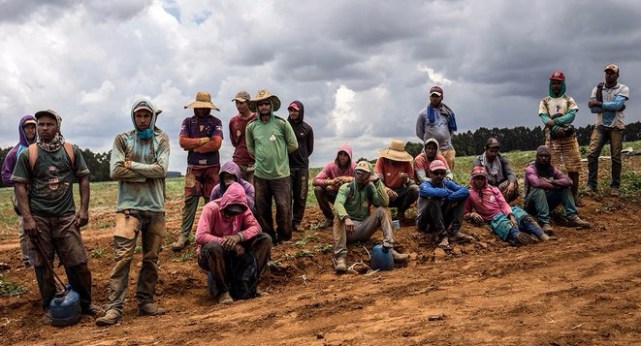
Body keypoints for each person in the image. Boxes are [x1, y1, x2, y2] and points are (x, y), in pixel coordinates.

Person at [11, 109, 102, 324]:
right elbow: (20, 187)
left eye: (48, 124)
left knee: (78, 261)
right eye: (40, 124)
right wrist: (28, 219)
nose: (43, 128)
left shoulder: (71, 151)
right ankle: (50, 307)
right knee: (43, 265)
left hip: (66, 216)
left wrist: (83, 210)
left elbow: (83, 179)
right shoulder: (28, 154)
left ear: (58, 126)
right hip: (39, 218)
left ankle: (85, 303)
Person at [196, 182, 272, 304]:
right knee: (213, 247)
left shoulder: (243, 208)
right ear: (224, 204)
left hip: (235, 254)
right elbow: (200, 236)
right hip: (215, 255)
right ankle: (223, 291)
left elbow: (256, 227)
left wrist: (238, 237)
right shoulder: (210, 209)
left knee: (264, 240)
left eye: (235, 213)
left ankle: (250, 284)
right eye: (228, 212)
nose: (231, 216)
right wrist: (226, 241)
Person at [332, 161, 409, 273]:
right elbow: (338, 204)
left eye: (364, 173)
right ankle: (341, 258)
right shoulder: (346, 187)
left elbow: (384, 202)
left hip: (363, 227)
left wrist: (377, 182)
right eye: (358, 172)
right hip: (347, 230)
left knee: (383, 210)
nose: (359, 175)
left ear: (369, 176)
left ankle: (390, 248)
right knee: (338, 217)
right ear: (354, 173)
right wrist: (346, 218)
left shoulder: (370, 187)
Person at [172, 91, 224, 252]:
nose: (201, 109)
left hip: (212, 168)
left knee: (212, 201)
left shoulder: (216, 122)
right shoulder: (188, 122)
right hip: (193, 168)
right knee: (189, 201)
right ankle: (184, 235)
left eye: (204, 107)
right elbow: (182, 142)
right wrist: (202, 141)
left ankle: (211, 234)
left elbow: (216, 144)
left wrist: (194, 146)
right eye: (199, 106)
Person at [245, 89, 298, 244]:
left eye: (266, 103)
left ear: (271, 105)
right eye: (260, 104)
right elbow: (250, 148)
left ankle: (284, 237)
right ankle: (268, 237)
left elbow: (293, 145)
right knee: (262, 208)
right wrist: (262, 157)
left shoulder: (282, 123)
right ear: (256, 107)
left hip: (281, 175)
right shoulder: (251, 127)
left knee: (283, 206)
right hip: (260, 175)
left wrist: (279, 155)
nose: (263, 107)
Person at [465, 166, 549, 246]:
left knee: (525, 218)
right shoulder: (470, 194)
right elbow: (465, 211)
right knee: (510, 230)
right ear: (473, 179)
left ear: (485, 179)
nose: (480, 181)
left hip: (507, 211)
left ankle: (543, 236)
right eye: (477, 178)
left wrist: (511, 216)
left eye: (482, 178)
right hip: (495, 218)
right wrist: (472, 214)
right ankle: (525, 238)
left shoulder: (493, 189)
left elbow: (503, 203)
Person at [538, 71, 583, 204]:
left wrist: (556, 122)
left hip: (568, 136)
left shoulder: (569, 100)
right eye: (554, 83)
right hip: (552, 137)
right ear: (550, 84)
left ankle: (574, 194)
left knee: (574, 165)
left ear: (562, 84)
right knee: (552, 166)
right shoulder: (545, 101)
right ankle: (555, 196)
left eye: (558, 83)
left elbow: (572, 115)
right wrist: (554, 128)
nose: (556, 86)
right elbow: (543, 116)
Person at [524, 145, 590, 234]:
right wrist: (555, 186)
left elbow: (569, 181)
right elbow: (537, 183)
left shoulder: (552, 169)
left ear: (550, 158)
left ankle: (572, 217)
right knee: (539, 190)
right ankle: (544, 222)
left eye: (546, 156)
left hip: (546, 203)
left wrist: (554, 182)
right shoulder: (531, 169)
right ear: (537, 157)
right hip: (531, 205)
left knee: (565, 188)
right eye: (541, 156)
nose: (543, 158)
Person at [587, 64, 630, 197]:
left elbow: (617, 104)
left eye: (612, 73)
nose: (609, 75)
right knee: (592, 154)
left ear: (617, 75)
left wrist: (600, 104)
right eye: (607, 73)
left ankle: (615, 186)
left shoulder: (623, 88)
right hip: (600, 125)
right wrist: (613, 107)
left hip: (616, 126)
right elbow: (592, 109)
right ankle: (591, 184)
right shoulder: (597, 88)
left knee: (616, 157)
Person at [1, 115, 37, 267]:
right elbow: (5, 175)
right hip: (22, 194)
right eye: (27, 127)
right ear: (21, 129)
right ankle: (27, 258)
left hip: (41, 194)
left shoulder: (41, 148)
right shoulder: (14, 152)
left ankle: (43, 255)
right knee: (25, 225)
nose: (30, 129)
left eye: (33, 126)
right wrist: (21, 180)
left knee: (43, 223)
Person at [416, 160, 472, 249]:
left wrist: (450, 197)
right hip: (425, 223)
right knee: (434, 199)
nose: (439, 176)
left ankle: (454, 232)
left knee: (461, 197)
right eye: (436, 173)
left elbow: (465, 191)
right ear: (430, 173)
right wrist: (448, 193)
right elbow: (431, 192)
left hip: (440, 218)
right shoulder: (425, 185)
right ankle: (443, 236)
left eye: (442, 173)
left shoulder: (446, 183)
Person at [312, 143, 356, 229]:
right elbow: (315, 180)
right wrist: (331, 182)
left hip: (351, 197)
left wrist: (346, 179)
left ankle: (356, 215)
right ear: (337, 156)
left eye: (345, 155)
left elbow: (364, 180)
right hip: (335, 195)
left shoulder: (354, 167)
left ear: (349, 156)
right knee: (318, 189)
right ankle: (329, 218)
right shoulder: (330, 166)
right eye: (340, 154)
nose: (342, 157)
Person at [374, 139, 419, 223]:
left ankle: (401, 211)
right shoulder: (381, 160)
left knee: (415, 189)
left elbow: (412, 183)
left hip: (399, 193)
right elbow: (377, 181)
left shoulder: (406, 163)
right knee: (375, 192)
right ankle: (382, 215)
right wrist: (386, 189)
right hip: (385, 192)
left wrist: (407, 179)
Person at [415, 86, 458, 169]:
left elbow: (451, 130)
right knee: (430, 170)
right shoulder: (423, 114)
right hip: (430, 149)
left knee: (447, 171)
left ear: (442, 97)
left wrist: (445, 138)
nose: (435, 98)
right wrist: (430, 141)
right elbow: (419, 132)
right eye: (433, 96)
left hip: (446, 147)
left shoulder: (448, 112)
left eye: (437, 96)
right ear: (430, 97)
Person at [287, 101, 314, 232]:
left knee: (301, 195)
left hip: (302, 167)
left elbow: (309, 149)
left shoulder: (307, 128)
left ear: (300, 112)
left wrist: (301, 157)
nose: (293, 113)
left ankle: (296, 222)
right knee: (286, 196)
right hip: (286, 167)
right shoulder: (284, 126)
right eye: (291, 110)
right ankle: (286, 223)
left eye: (295, 110)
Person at [472, 138, 519, 203]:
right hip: (486, 187)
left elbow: (510, 173)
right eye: (491, 151)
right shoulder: (478, 161)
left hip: (500, 186)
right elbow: (475, 179)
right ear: (486, 149)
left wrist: (511, 184)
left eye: (496, 151)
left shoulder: (502, 159)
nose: (493, 154)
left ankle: (503, 204)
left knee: (512, 183)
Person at [229, 91, 257, 182]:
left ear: (248, 103)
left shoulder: (257, 119)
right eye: (236, 103)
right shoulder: (233, 121)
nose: (238, 106)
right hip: (239, 161)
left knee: (254, 193)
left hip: (255, 162)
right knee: (238, 192)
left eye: (241, 103)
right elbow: (234, 142)